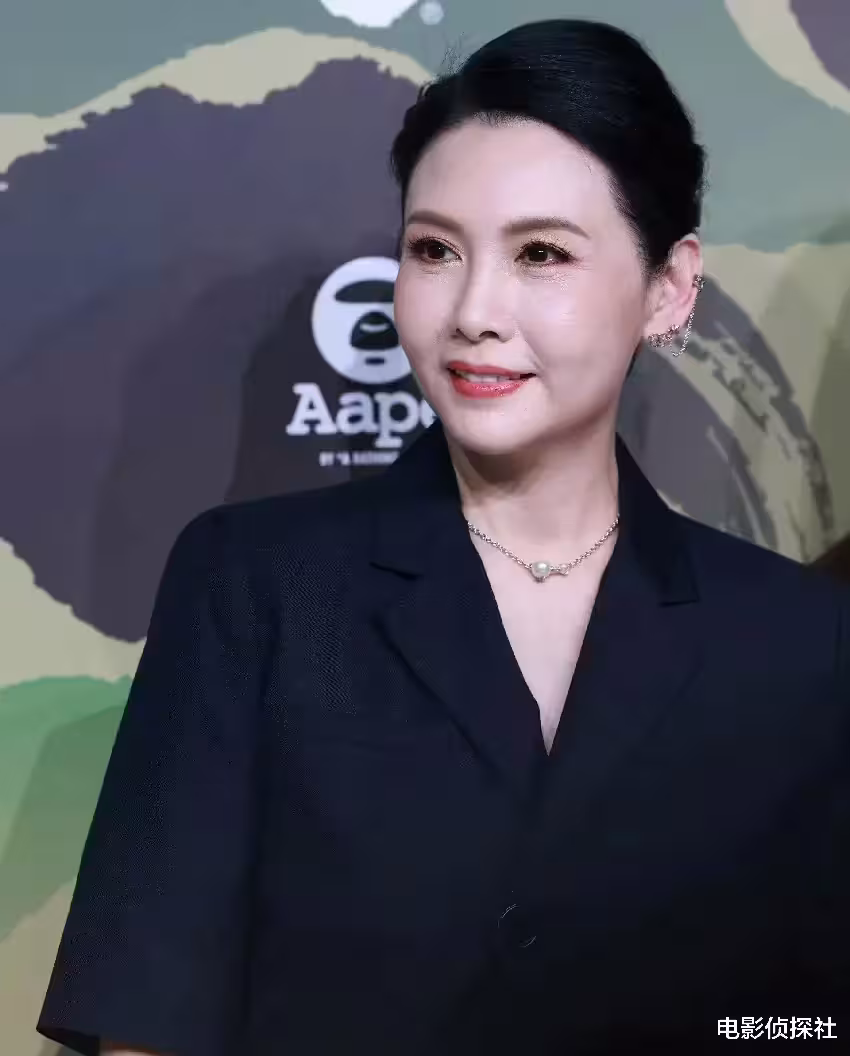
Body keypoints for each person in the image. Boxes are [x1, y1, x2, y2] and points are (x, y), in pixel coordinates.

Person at [38, 19, 849, 1056]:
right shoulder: (256, 588)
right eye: (434, 250)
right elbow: (147, 1012)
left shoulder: (797, 640)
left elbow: (806, 1020)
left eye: (541, 254)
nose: (473, 310)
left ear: (669, 286)